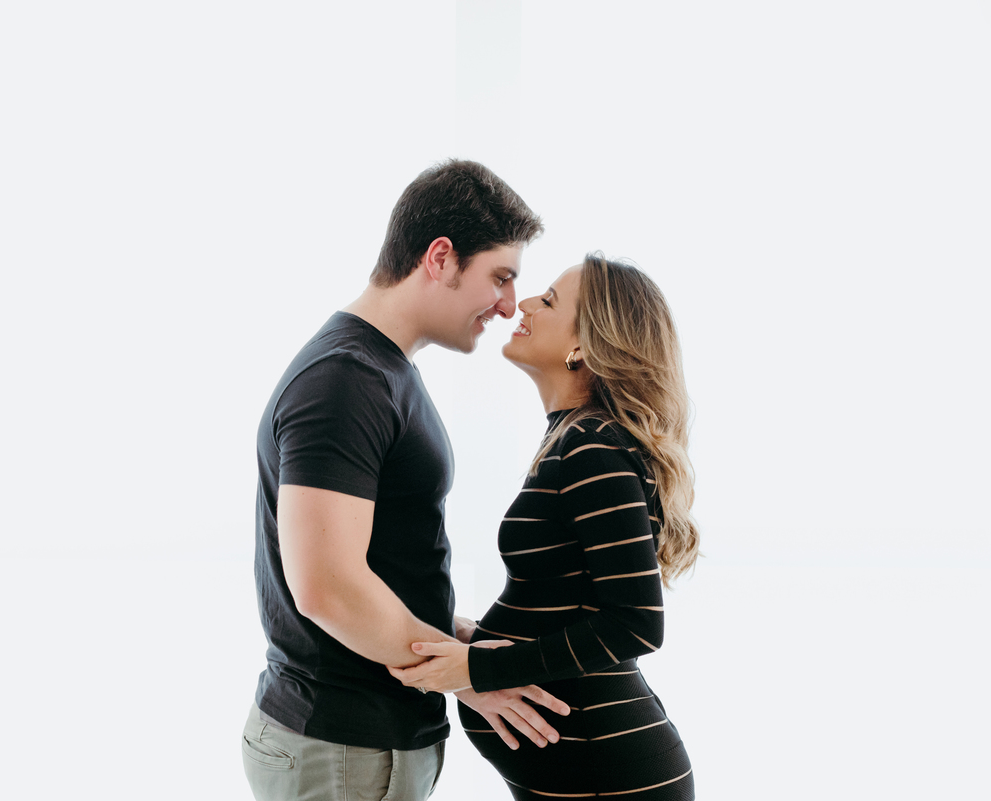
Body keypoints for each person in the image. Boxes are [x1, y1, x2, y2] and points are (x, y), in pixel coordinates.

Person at [242, 160, 572, 801]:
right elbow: (328, 588)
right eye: (500, 277)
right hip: (342, 748)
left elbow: (376, 565)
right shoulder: (346, 380)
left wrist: (457, 636)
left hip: (363, 745)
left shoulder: (379, 370)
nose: (509, 305)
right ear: (440, 258)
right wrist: (468, 678)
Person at [389, 255, 700, 799]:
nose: (524, 304)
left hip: (610, 775)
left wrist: (479, 669)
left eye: (549, 301)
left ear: (584, 345)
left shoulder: (593, 447)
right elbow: (567, 600)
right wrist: (475, 638)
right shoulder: (576, 440)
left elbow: (636, 623)